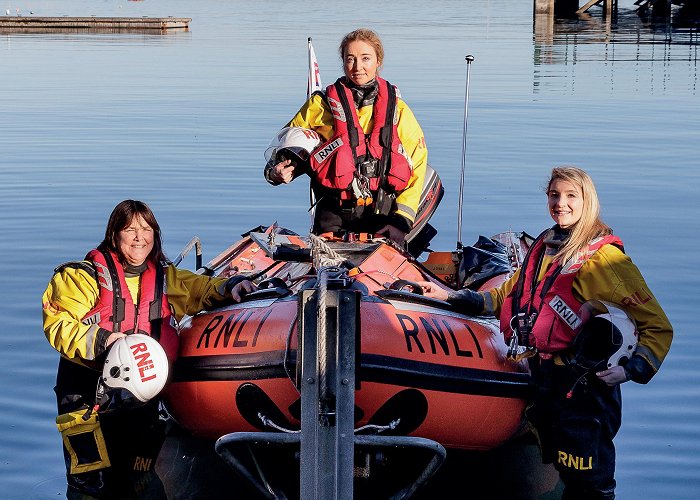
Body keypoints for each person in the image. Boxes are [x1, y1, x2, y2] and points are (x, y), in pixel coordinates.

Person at [420, 166, 673, 499]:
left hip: (585, 389)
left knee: (590, 484)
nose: (561, 204)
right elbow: (505, 296)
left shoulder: (604, 261)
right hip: (546, 382)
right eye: (554, 195)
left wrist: (630, 369)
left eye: (571, 196)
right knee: (565, 473)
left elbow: (657, 325)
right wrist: (451, 296)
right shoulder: (545, 246)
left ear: (588, 201)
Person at [42, 200, 256, 499]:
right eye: (130, 230)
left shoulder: (165, 278)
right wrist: (104, 339)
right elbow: (58, 324)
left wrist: (229, 287)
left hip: (141, 401)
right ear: (114, 235)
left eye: (146, 229)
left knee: (141, 478)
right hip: (89, 395)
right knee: (89, 484)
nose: (139, 237)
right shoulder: (78, 278)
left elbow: (201, 289)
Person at [264, 28, 428, 245]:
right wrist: (277, 172)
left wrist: (402, 220)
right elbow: (287, 149)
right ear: (343, 62)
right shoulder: (319, 105)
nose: (358, 67)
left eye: (365, 59)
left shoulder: (397, 109)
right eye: (350, 59)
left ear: (378, 61)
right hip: (332, 216)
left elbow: (417, 163)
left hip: (383, 217)